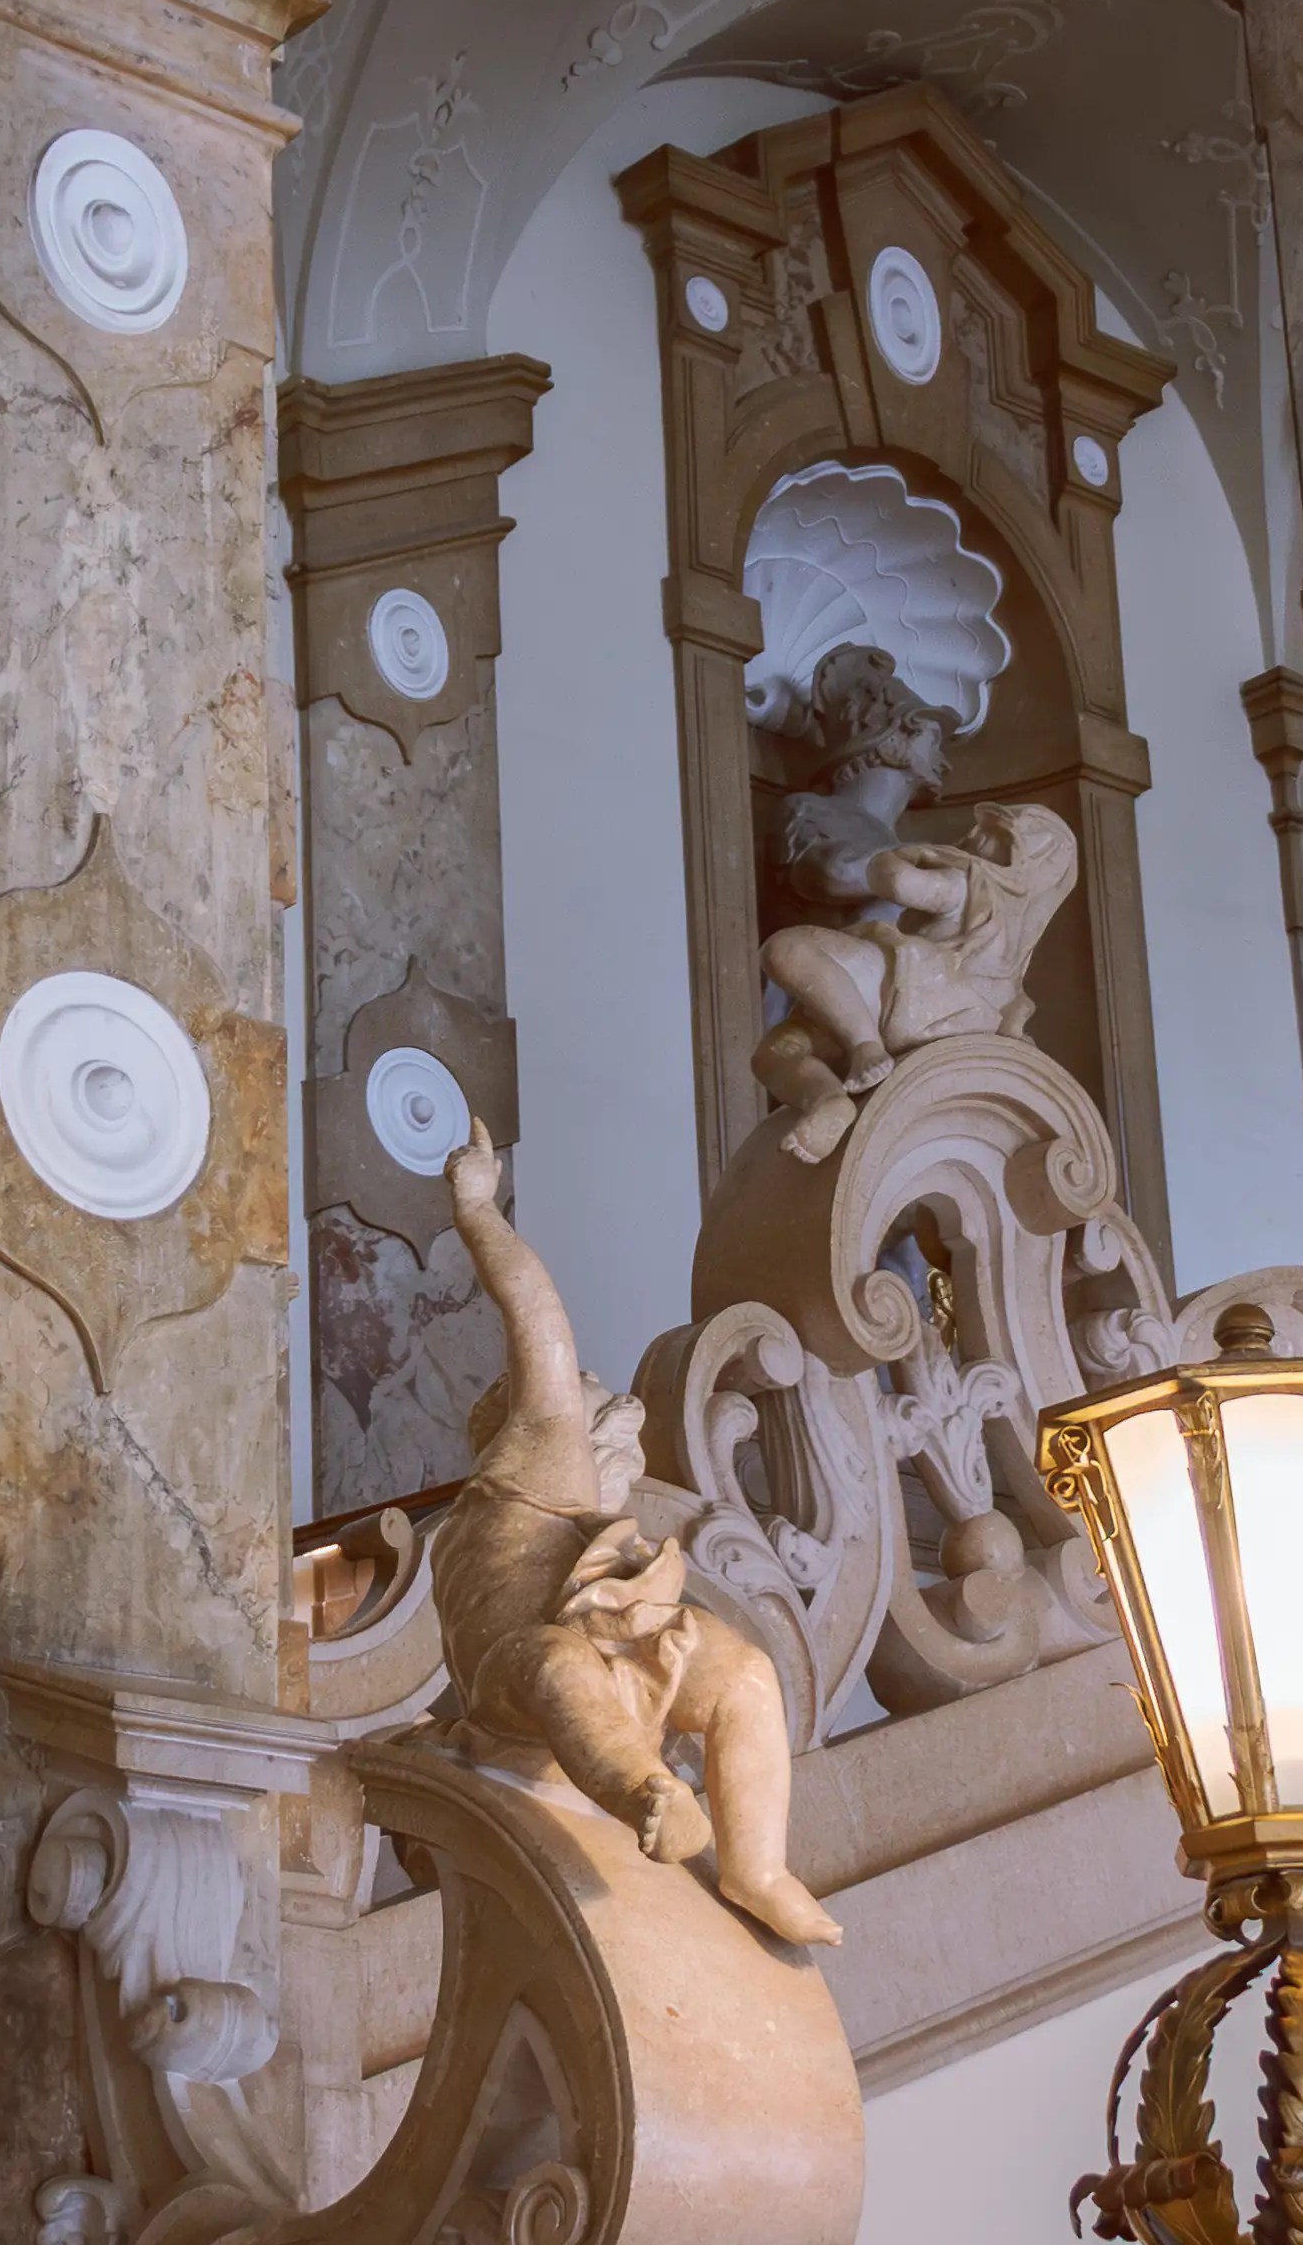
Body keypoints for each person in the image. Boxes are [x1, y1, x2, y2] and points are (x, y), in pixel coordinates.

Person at [429, 1122, 839, 1948]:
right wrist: (478, 1211)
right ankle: (650, 1792)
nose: (582, 1390)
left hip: (608, 1656)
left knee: (745, 1676)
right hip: (525, 1688)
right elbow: (537, 1319)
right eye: (582, 1389)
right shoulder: (537, 1455)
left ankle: (756, 1868)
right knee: (557, 1661)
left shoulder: (560, 1518)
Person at [753, 799, 1080, 1160]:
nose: (971, 835)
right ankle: (827, 1099)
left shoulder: (971, 882)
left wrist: (902, 854)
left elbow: (895, 881)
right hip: (947, 1013)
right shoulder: (1018, 935)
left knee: (786, 948)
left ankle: (864, 1045)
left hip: (912, 993)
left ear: (1016, 859)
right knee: (777, 1052)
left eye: (989, 835)